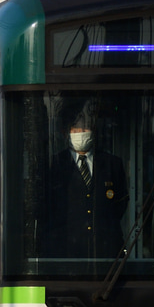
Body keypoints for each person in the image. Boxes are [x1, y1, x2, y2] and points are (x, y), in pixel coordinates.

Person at [42, 110, 129, 259]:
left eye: (85, 129)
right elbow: (47, 207)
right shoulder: (54, 164)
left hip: (105, 248)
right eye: (75, 129)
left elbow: (121, 202)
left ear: (93, 131)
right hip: (65, 249)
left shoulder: (112, 163)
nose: (81, 133)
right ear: (66, 133)